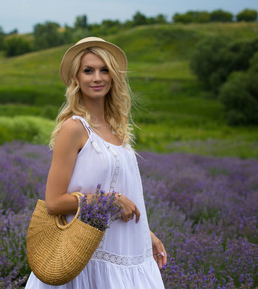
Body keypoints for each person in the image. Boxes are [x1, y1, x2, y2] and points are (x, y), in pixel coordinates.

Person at [25, 37, 166, 288]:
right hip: (85, 253)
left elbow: (129, 194)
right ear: (76, 79)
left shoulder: (118, 130)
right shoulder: (74, 128)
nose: (97, 78)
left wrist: (146, 234)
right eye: (88, 71)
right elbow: (55, 202)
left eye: (104, 70)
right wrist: (108, 200)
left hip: (127, 249)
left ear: (114, 77)